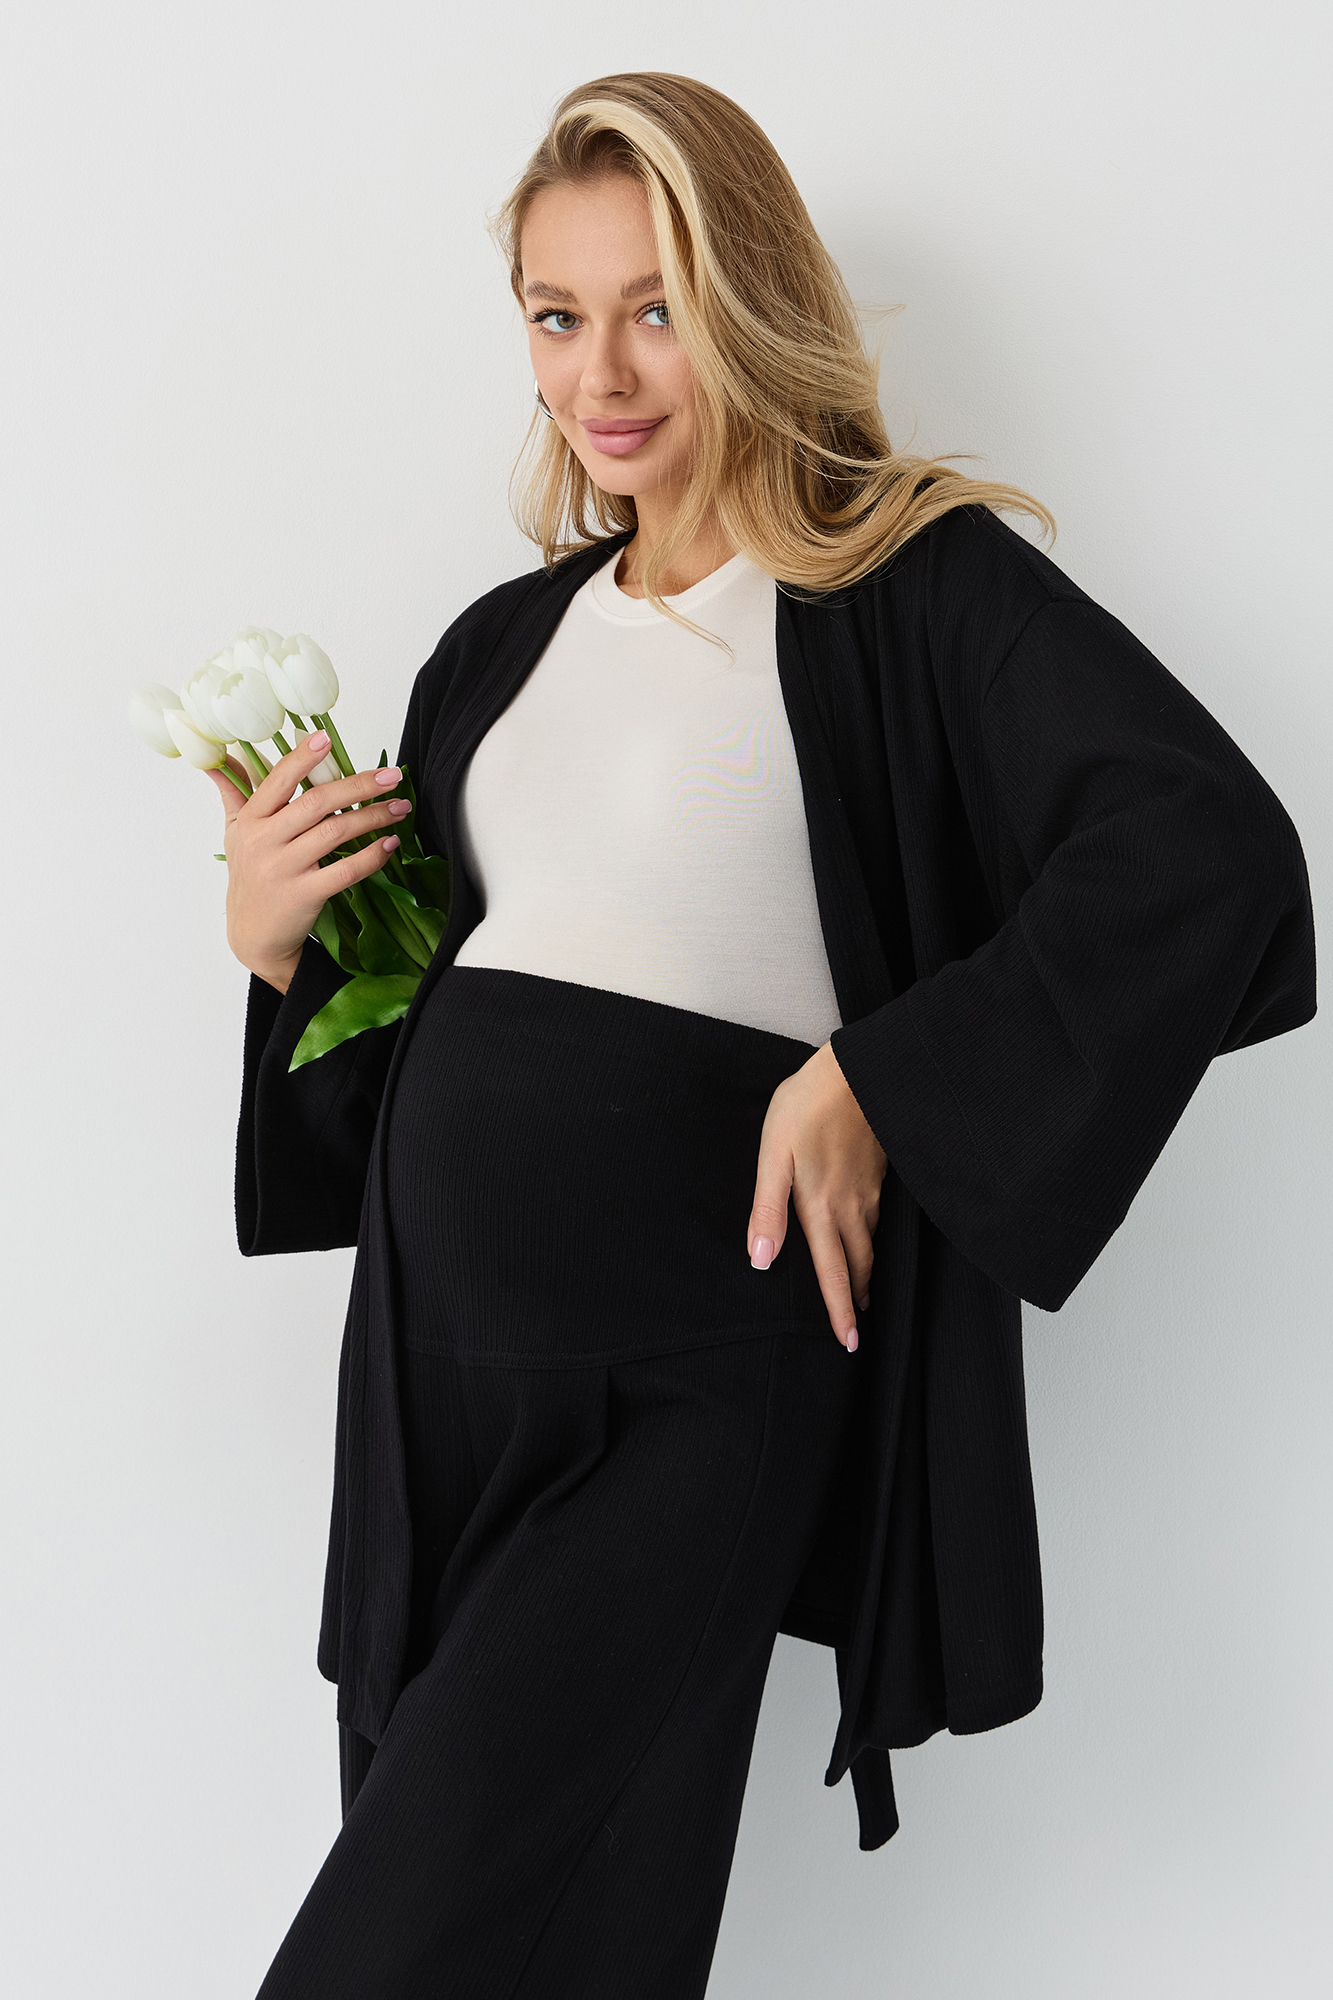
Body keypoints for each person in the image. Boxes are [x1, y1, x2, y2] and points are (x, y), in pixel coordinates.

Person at [212, 72, 1316, 2000]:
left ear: (750, 301)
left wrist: (884, 1075)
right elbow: (408, 1031)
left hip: (690, 1384)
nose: (602, 374)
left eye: (656, 307)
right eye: (557, 315)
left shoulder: (909, 590)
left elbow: (1203, 853)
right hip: (425, 1399)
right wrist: (271, 942)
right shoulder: (495, 648)